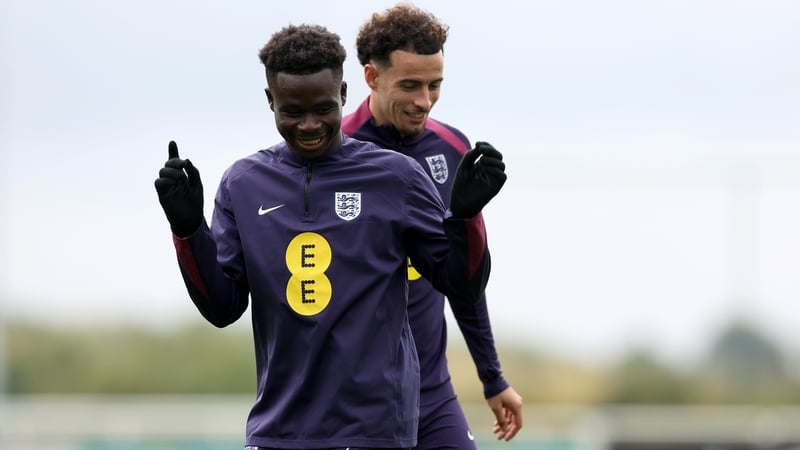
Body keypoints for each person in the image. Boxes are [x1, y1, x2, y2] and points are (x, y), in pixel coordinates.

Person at [154, 23, 506, 450]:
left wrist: (466, 216)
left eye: (322, 108)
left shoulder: (396, 177)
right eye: (292, 111)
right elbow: (222, 307)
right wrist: (188, 229)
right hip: (277, 432)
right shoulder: (243, 184)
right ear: (271, 101)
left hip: (374, 431)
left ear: (342, 94)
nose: (308, 125)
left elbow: (462, 284)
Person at [341, 4, 523, 448]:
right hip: (351, 399)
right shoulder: (335, 151)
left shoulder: (452, 147)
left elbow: (464, 276)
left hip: (430, 392)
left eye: (434, 85)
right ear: (371, 77)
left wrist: (492, 376)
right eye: (410, 85)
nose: (424, 100)